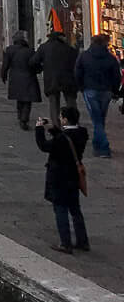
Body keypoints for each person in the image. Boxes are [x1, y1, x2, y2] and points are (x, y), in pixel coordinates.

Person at [36, 106, 90, 253]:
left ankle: (65, 243)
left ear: (65, 119)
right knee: (75, 209)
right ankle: (82, 241)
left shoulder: (61, 139)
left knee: (60, 209)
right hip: (73, 176)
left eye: (61, 117)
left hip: (59, 177)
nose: (59, 119)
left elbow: (44, 146)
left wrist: (39, 129)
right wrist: (52, 128)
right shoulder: (82, 133)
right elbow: (66, 137)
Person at [74, 32, 122, 158]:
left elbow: (77, 72)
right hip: (106, 91)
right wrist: (115, 91)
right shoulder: (110, 58)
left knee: (97, 119)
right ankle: (98, 144)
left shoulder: (84, 56)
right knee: (100, 118)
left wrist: (81, 87)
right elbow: (116, 76)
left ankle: (103, 148)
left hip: (90, 90)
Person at [35, 28, 81, 128]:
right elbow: (76, 63)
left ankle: (56, 125)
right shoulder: (69, 48)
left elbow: (34, 61)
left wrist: (41, 68)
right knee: (70, 101)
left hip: (52, 79)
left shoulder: (44, 47)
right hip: (68, 79)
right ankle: (73, 123)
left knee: (53, 102)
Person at [1, 32, 44, 130]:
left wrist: (3, 76)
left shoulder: (9, 50)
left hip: (15, 78)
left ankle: (20, 116)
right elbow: (35, 65)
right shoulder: (30, 52)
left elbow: (5, 65)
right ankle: (24, 119)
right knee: (27, 101)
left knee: (19, 98)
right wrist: (39, 69)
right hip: (29, 78)